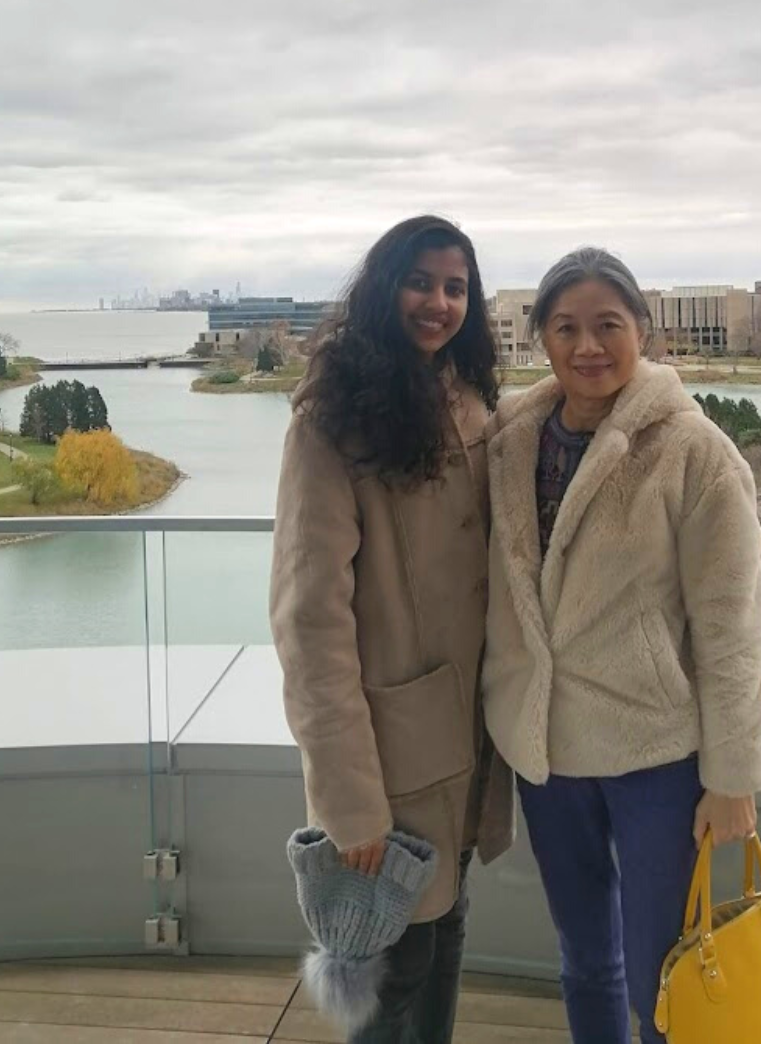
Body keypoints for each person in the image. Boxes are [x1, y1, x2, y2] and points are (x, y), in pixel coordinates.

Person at [481, 247, 761, 1044]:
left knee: (665, 971)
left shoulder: (695, 453)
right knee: (584, 960)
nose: (588, 347)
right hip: (548, 755)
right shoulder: (510, 443)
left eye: (608, 325)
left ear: (643, 330)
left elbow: (733, 627)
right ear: (539, 336)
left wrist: (733, 776)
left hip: (657, 756)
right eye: (566, 327)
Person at [270, 215, 514, 1044]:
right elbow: (309, 618)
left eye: (456, 287)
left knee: (444, 940)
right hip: (390, 758)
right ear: (384, 287)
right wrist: (350, 802)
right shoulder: (333, 418)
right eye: (420, 281)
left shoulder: (470, 398)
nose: (438, 302)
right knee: (394, 975)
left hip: (467, 744)